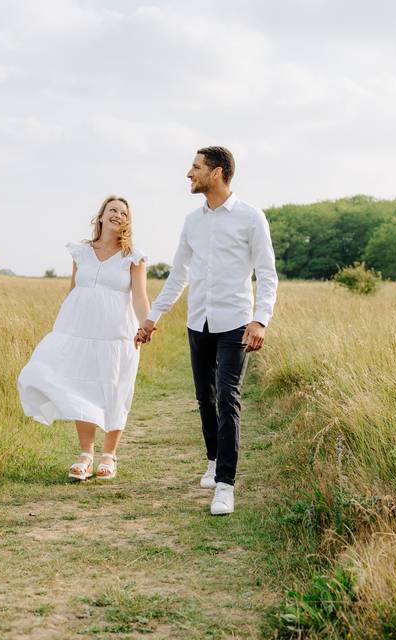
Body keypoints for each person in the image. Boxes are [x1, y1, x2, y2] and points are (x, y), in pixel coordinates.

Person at [136, 146, 277, 515]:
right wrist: (153, 317)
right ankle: (214, 460)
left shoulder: (251, 218)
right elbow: (178, 274)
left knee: (227, 396)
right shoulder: (192, 222)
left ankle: (226, 486)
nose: (189, 174)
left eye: (195, 167)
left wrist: (260, 319)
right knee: (205, 397)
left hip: (235, 322)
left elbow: (267, 273)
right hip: (198, 321)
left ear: (216, 173)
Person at [18, 195, 149, 481]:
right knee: (81, 388)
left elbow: (139, 296)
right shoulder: (81, 253)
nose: (117, 215)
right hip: (79, 331)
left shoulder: (133, 257)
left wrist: (146, 325)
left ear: (128, 221)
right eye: (112, 210)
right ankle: (86, 455)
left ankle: (109, 456)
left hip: (116, 335)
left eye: (123, 213)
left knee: (115, 388)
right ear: (100, 216)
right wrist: (61, 331)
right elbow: (73, 291)